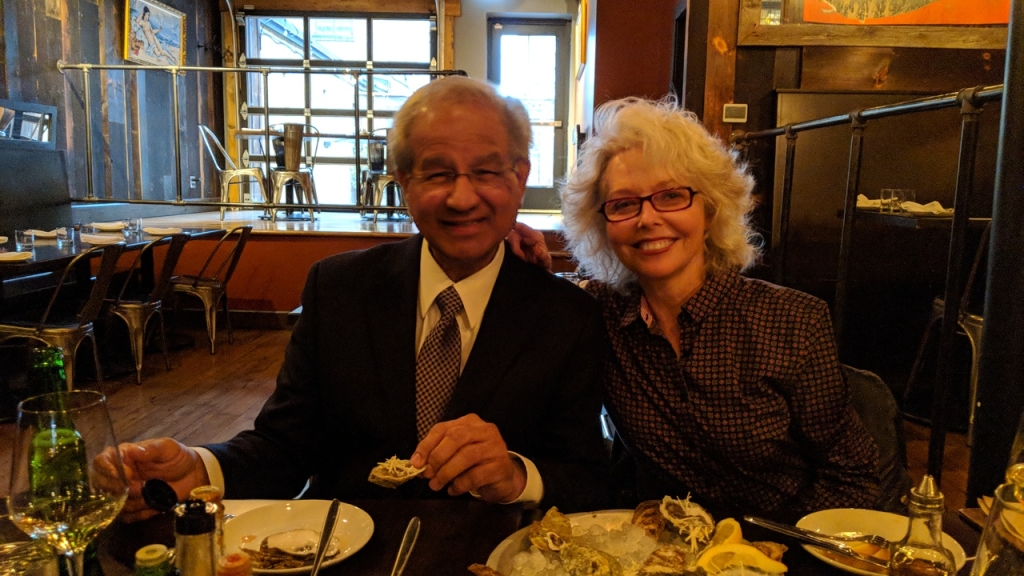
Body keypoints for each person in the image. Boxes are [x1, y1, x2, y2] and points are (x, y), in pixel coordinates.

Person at [105, 76, 609, 522]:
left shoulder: (569, 318)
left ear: (519, 178)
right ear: (405, 181)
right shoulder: (338, 288)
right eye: (437, 173)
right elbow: (286, 444)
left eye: (486, 172)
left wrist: (519, 476)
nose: (462, 197)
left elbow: (587, 476)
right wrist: (199, 467)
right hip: (341, 552)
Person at [552, 97, 879, 514]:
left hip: (778, 551)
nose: (647, 218)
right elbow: (533, 304)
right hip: (658, 549)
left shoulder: (793, 322)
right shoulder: (598, 315)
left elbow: (853, 476)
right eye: (623, 204)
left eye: (670, 196)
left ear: (709, 209)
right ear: (602, 224)